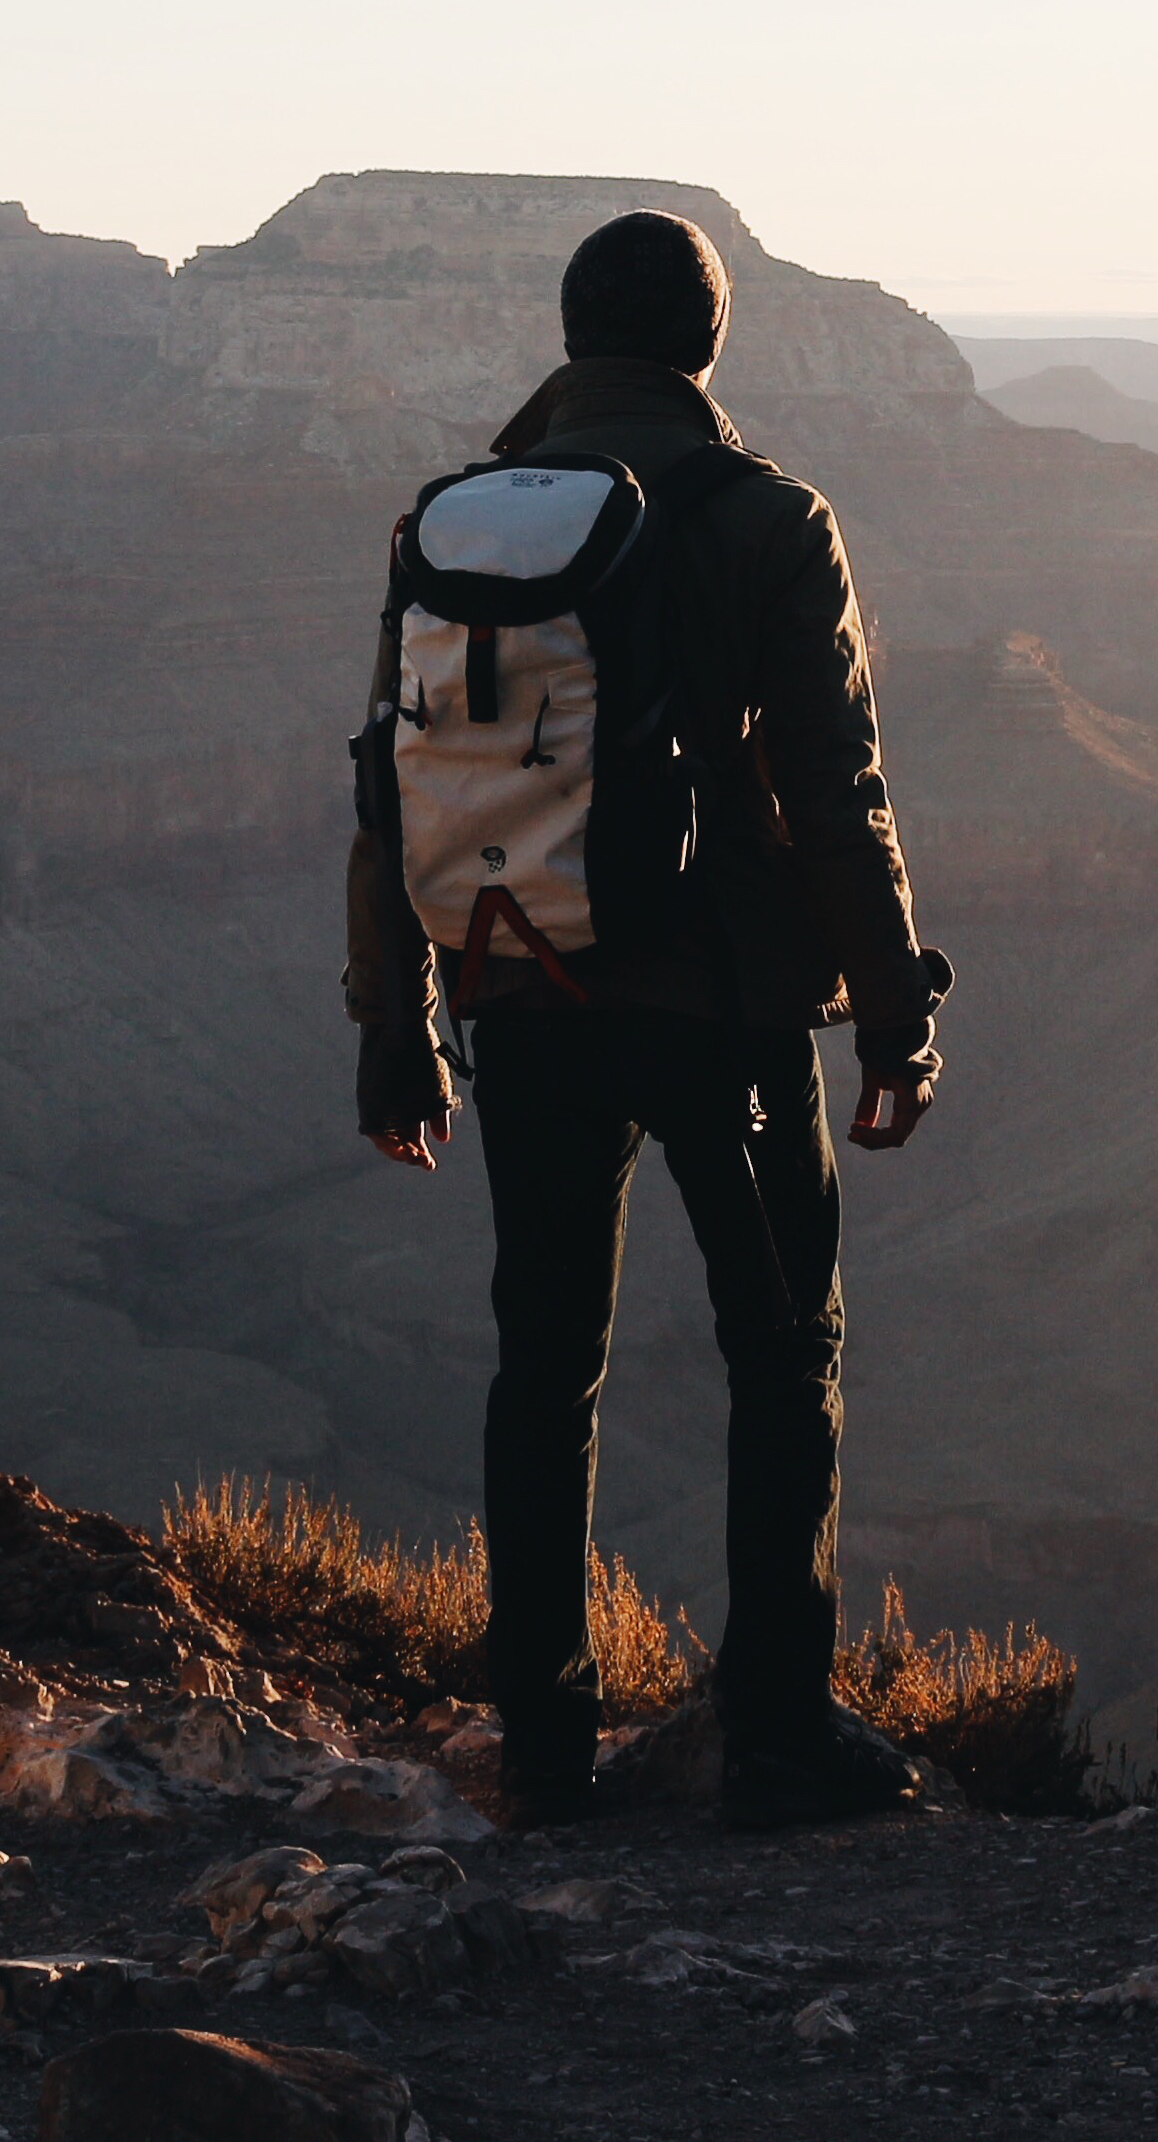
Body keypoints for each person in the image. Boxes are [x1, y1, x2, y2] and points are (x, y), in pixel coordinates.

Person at [346, 208, 952, 1832]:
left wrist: (396, 1030)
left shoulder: (455, 521)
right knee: (785, 1350)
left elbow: (388, 786)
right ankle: (775, 1731)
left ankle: (543, 1750)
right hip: (727, 1009)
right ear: (708, 342)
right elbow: (839, 797)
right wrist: (895, 1015)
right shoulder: (769, 519)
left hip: (521, 986)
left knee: (543, 1366)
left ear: (568, 336)